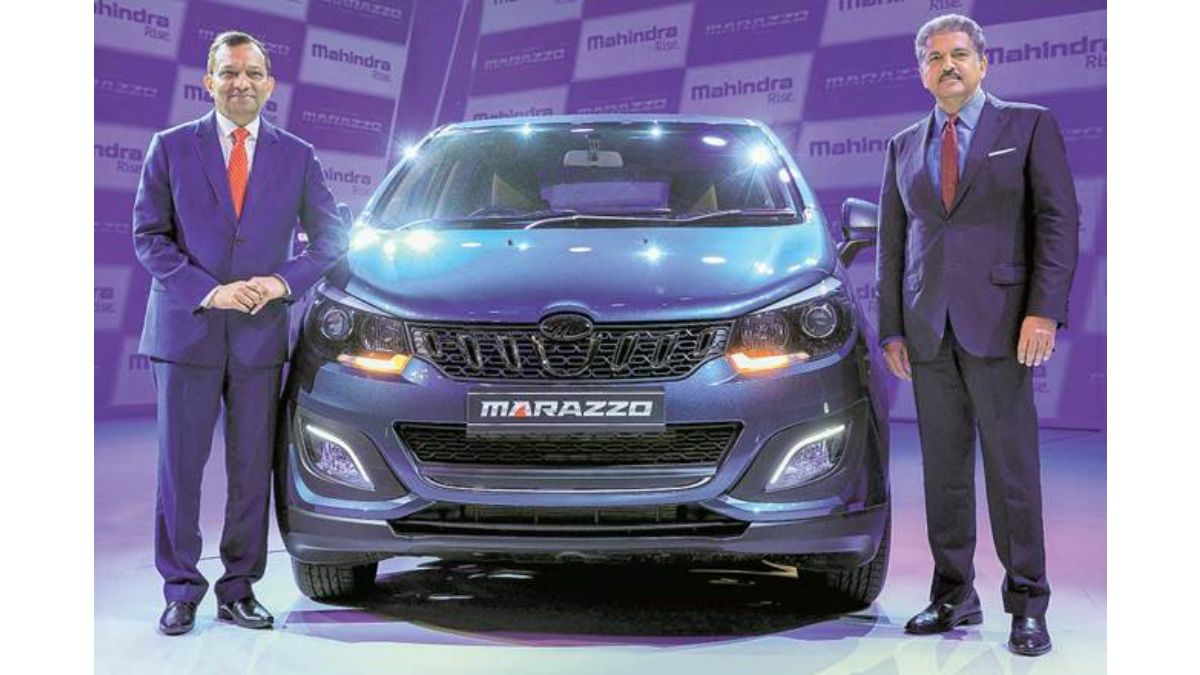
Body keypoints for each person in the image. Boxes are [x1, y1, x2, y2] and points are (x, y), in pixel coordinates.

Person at [875, 14, 1078, 656]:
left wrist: (1043, 311)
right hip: (927, 331)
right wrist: (891, 327)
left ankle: (1028, 602)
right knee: (944, 474)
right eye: (934, 58)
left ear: (983, 63)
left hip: (1002, 327)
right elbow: (892, 242)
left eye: (959, 54)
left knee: (1012, 474)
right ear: (921, 73)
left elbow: (1057, 223)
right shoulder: (903, 145)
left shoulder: (1028, 126)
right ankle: (953, 593)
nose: (948, 66)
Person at [132, 31, 348, 635]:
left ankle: (239, 588)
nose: (241, 83)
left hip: (259, 337)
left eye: (253, 73)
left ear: (270, 84)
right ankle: (180, 589)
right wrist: (210, 291)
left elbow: (332, 240)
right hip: (186, 334)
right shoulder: (171, 147)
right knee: (180, 471)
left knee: (251, 471)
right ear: (209, 82)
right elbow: (149, 236)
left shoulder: (297, 155)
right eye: (229, 73)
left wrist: (281, 283)